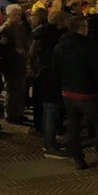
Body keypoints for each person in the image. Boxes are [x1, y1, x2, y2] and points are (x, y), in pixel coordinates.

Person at [52, 15, 98, 170]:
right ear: (80, 28)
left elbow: (56, 70)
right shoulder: (88, 46)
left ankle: (78, 158)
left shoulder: (59, 46)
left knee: (74, 127)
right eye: (85, 26)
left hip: (68, 93)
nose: (87, 29)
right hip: (87, 93)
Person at [27, 11, 68, 157]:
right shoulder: (54, 37)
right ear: (60, 22)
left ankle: (48, 140)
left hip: (41, 77)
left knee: (46, 110)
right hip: (51, 78)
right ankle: (50, 145)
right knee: (51, 111)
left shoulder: (41, 34)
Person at [0, 4, 30, 124]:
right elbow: (3, 48)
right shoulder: (5, 29)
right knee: (12, 91)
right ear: (8, 15)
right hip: (11, 64)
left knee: (21, 90)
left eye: (19, 15)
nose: (17, 17)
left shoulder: (20, 27)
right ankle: (10, 114)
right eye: (15, 15)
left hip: (21, 63)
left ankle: (19, 113)